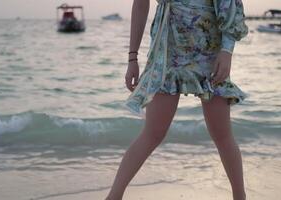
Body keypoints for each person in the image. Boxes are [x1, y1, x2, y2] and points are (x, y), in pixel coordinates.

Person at [106, 0, 248, 199]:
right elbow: (140, 4)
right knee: (153, 133)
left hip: (208, 46)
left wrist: (227, 51)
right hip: (167, 47)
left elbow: (229, 3)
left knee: (222, 135)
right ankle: (113, 197)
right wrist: (132, 58)